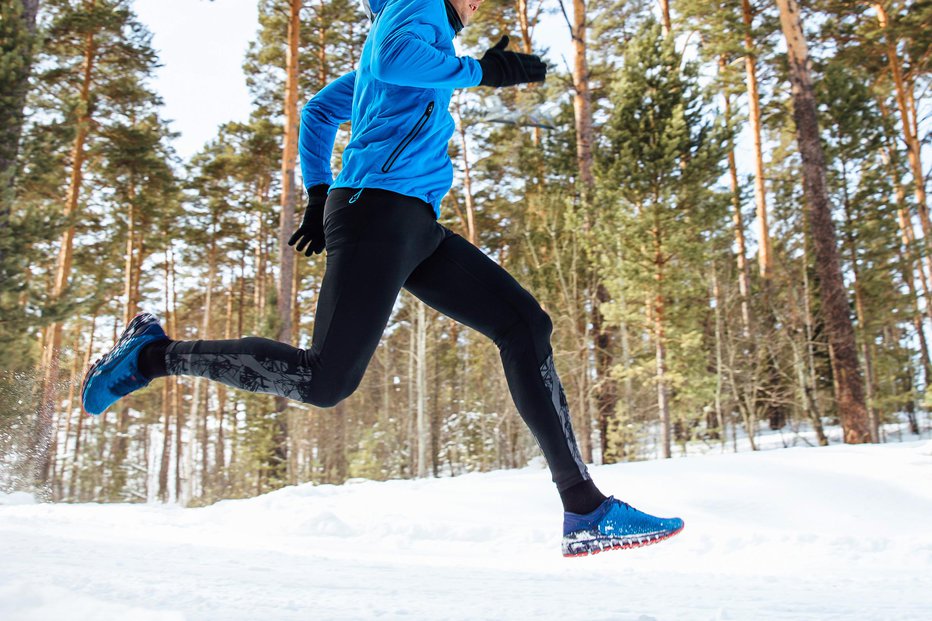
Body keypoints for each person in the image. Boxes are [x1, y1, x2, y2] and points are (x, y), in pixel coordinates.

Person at [82, 0, 683, 557]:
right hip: (379, 212)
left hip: (412, 222)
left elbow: (322, 109)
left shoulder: (415, 33)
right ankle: (152, 355)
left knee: (525, 325)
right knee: (324, 381)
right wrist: (480, 72)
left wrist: (320, 191)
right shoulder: (415, 7)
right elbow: (395, 59)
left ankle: (584, 509)